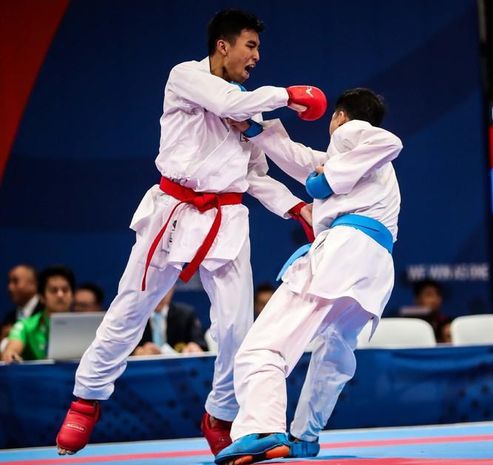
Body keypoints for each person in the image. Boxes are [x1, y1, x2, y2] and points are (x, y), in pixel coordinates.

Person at [55, 8, 326, 457]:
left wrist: (295, 206)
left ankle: (220, 414)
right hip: (172, 211)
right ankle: (87, 398)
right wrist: (288, 94)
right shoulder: (186, 76)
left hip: (227, 220)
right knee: (130, 308)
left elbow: (256, 175)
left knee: (238, 329)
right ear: (224, 44)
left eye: (259, 47)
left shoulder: (252, 110)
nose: (257, 55)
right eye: (251, 45)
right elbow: (226, 102)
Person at [216, 88, 402, 464]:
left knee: (264, 345)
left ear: (339, 116)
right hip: (375, 264)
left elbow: (389, 140)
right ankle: (304, 435)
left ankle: (262, 428)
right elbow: (298, 159)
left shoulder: (350, 134)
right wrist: (256, 129)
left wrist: (329, 178)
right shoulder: (351, 161)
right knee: (335, 350)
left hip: (344, 251)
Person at [1, 266, 75, 362]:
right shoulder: (25, 326)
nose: (60, 295)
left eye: (65, 290)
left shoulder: (84, 326)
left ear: (72, 295)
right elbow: (11, 350)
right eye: (53, 290)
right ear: (42, 297)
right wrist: (11, 355)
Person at [133, 287, 207, 355]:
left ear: (172, 289)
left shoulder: (186, 315)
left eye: (165, 287)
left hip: (178, 368)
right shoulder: (134, 317)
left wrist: (195, 349)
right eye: (154, 288)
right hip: (145, 368)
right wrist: (136, 353)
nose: (160, 294)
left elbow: (202, 347)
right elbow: (123, 349)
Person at [2, 264, 40, 340]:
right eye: (9, 282)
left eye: (15, 281)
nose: (10, 288)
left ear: (33, 284)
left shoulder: (46, 312)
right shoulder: (9, 318)